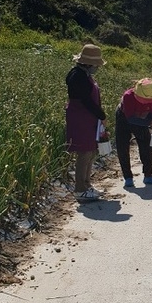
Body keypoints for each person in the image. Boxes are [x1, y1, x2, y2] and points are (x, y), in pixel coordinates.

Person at [65, 43, 107, 202]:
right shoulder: (77, 76)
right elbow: (86, 101)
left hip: (88, 118)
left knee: (91, 150)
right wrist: (101, 115)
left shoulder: (83, 74)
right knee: (84, 152)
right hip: (81, 117)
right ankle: (80, 189)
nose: (97, 68)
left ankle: (87, 184)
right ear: (88, 63)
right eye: (95, 65)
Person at [115, 78, 152, 188]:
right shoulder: (128, 96)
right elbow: (130, 118)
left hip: (142, 117)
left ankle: (148, 175)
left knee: (147, 144)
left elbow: (151, 113)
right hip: (124, 117)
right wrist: (150, 122)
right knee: (122, 146)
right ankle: (128, 177)